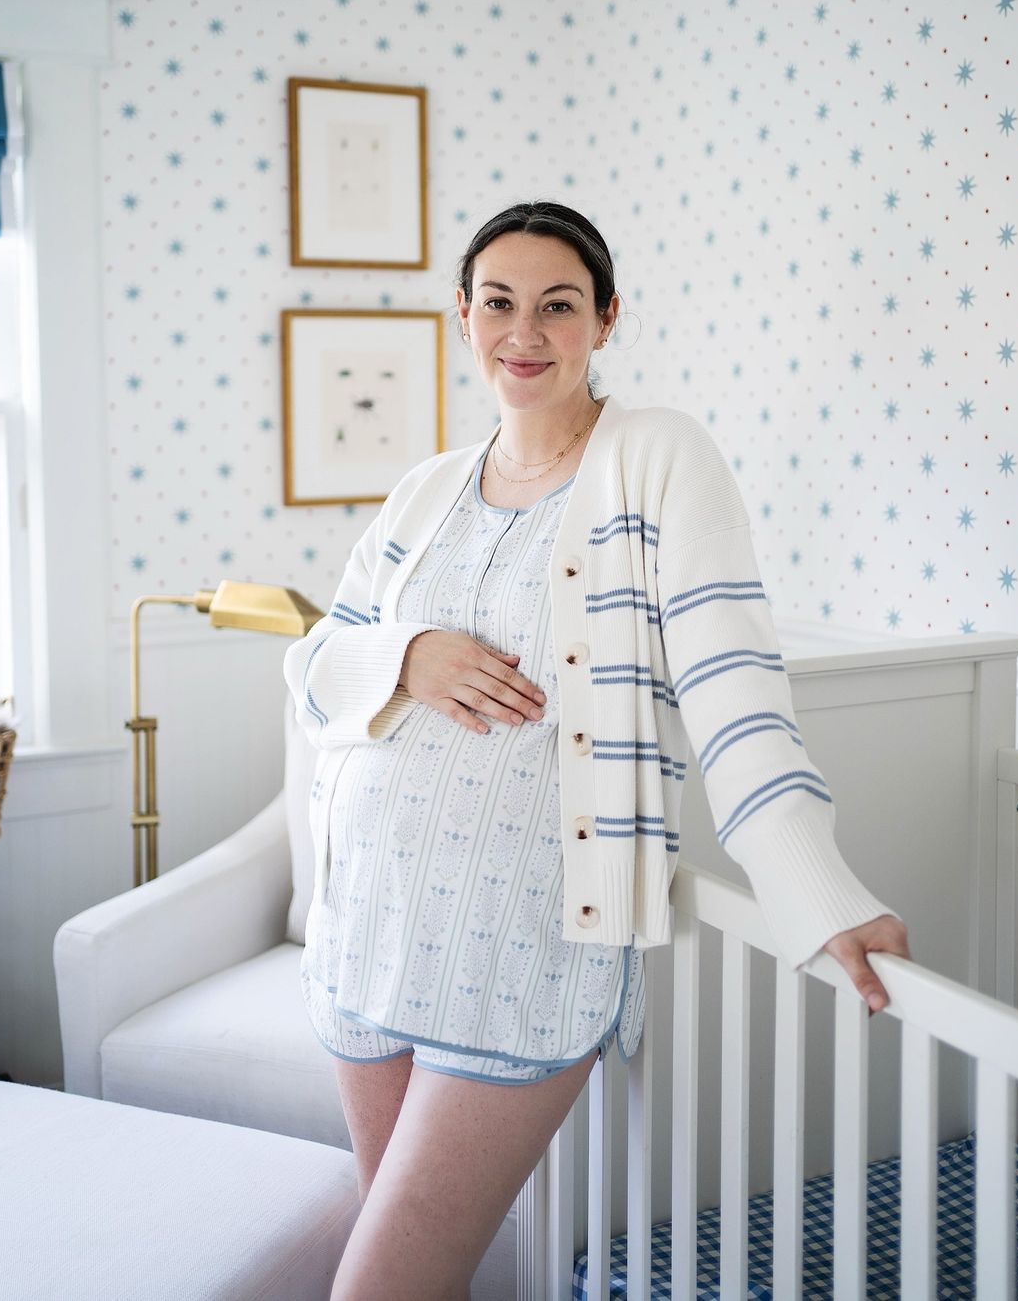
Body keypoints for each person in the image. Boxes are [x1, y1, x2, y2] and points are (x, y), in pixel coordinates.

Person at [283, 200, 910, 1301]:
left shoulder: (659, 459)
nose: (524, 332)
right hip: (368, 924)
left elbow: (733, 688)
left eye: (558, 306)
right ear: (463, 316)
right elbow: (315, 665)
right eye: (498, 303)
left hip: (518, 947)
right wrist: (407, 655)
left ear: (605, 319)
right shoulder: (427, 490)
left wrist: (816, 890)